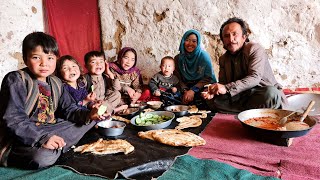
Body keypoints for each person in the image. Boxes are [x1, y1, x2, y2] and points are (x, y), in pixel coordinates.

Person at [0, 32, 109, 169]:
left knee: (90, 119)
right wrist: (42, 138)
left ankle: (57, 144)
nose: (44, 63)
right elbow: (14, 120)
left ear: (56, 60)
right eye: (36, 57)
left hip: (51, 128)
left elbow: (69, 109)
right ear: (25, 59)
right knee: (42, 157)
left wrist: (90, 114)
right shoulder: (17, 79)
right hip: (23, 137)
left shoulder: (56, 82)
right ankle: (55, 145)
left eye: (50, 58)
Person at [202, 17, 287, 113]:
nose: (231, 39)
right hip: (241, 97)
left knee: (271, 93)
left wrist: (226, 88)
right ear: (222, 41)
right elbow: (224, 85)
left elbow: (255, 77)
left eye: (235, 34)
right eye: (226, 36)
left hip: (260, 94)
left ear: (244, 37)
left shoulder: (254, 49)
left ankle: (241, 112)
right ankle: (247, 113)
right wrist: (214, 92)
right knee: (210, 100)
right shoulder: (223, 59)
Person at [174, 29, 217, 105]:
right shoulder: (178, 58)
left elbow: (208, 78)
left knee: (206, 97)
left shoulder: (203, 56)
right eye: (187, 40)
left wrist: (193, 91)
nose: (190, 44)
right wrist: (186, 91)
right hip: (185, 87)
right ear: (183, 41)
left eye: (194, 41)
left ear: (198, 43)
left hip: (201, 86)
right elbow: (177, 78)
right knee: (172, 95)